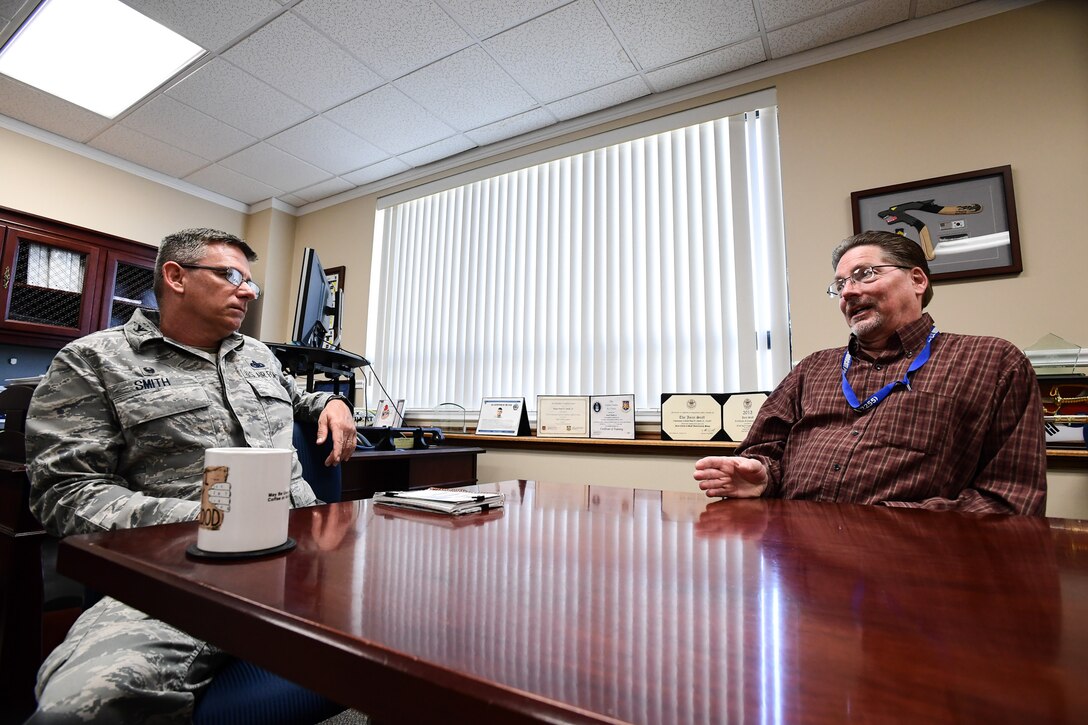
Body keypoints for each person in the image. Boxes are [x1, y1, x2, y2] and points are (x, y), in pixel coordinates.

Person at [25, 228, 357, 721]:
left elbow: (294, 397)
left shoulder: (259, 356)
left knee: (434, 627)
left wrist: (331, 401)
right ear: (176, 277)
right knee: (83, 705)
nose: (247, 291)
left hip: (305, 558)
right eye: (230, 276)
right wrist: (214, 519)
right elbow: (65, 493)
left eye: (251, 283)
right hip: (183, 568)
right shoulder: (94, 360)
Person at [693, 230, 1046, 515]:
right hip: (798, 559)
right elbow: (763, 452)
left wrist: (886, 523)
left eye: (865, 274)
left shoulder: (992, 361)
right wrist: (763, 476)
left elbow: (1010, 498)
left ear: (918, 280)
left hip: (914, 568)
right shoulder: (812, 368)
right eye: (840, 284)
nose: (848, 291)